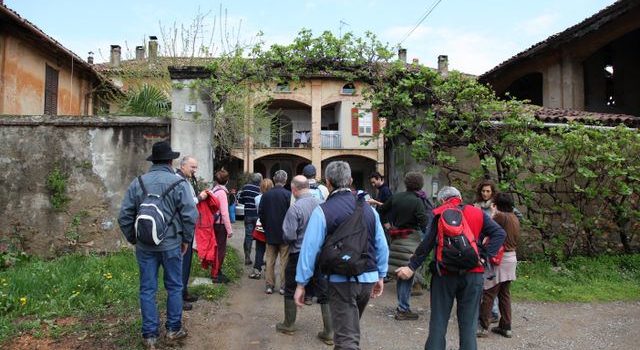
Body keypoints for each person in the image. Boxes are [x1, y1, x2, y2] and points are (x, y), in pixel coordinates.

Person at [396, 186, 506, 350]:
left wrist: (411, 267)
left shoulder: (439, 213)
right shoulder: (477, 213)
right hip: (473, 274)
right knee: (468, 326)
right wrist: (484, 257)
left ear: (441, 200)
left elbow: (427, 244)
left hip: (444, 275)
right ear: (460, 197)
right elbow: (499, 234)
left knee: (438, 323)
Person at [294, 161, 389, 349]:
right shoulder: (368, 209)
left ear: (328, 182)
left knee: (346, 339)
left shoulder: (323, 211)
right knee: (348, 331)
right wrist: (381, 275)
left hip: (341, 281)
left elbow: (309, 249)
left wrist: (301, 283)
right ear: (351, 180)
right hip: (368, 278)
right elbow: (381, 244)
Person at [118, 141, 198, 349]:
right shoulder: (178, 184)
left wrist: (134, 238)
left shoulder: (139, 183)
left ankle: (150, 336)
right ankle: (173, 329)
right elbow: (190, 215)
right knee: (174, 286)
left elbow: (124, 215)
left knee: (147, 289)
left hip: (145, 247)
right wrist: (186, 240)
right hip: (172, 244)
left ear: (153, 161)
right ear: (171, 161)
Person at [277, 175, 333, 345]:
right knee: (323, 290)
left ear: (294, 189)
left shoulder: (295, 208)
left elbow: (288, 235)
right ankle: (329, 332)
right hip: (319, 253)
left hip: (298, 253)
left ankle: (289, 324)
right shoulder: (322, 205)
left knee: (290, 287)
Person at [379, 172, 428, 321]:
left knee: (401, 272)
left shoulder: (396, 197)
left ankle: (402, 306)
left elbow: (381, 211)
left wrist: (388, 225)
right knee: (408, 272)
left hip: (396, 238)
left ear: (406, 183)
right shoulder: (418, 201)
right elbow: (423, 222)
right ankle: (403, 308)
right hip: (411, 239)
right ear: (420, 185)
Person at [477, 193, 520, 339]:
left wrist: (493, 213)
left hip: (499, 259)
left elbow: (486, 227)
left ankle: (483, 327)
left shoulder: (501, 217)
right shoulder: (514, 217)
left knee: (489, 292)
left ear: (497, 204)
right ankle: (506, 326)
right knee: (504, 293)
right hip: (511, 258)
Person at [175, 156, 206, 311]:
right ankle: (178, 297)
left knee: (186, 263)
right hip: (180, 229)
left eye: (195, 167)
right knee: (181, 263)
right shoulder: (178, 181)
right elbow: (186, 203)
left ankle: (184, 292)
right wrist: (200, 198)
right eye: (192, 167)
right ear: (182, 166)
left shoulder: (186, 180)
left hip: (187, 228)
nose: (194, 170)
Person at [259, 170, 291, 295]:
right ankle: (283, 286)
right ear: (285, 180)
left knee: (270, 260)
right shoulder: (289, 195)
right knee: (284, 261)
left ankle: (269, 285)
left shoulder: (266, 195)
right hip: (285, 234)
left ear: (273, 179)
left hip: (270, 232)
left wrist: (266, 226)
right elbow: (292, 215)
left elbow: (261, 213)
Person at [210, 169, 234, 283]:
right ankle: (216, 273)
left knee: (215, 248)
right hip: (220, 225)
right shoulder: (222, 193)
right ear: (227, 181)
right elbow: (224, 212)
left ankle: (215, 271)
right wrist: (229, 230)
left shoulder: (214, 190)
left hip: (213, 223)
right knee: (220, 249)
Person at [249, 178, 273, 279]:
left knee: (259, 249)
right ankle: (269, 267)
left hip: (260, 225)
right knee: (271, 250)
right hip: (271, 225)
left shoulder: (257, 198)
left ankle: (257, 269)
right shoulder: (273, 198)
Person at [239, 173, 263, 266]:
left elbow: (240, 200)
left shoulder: (245, 187)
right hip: (257, 216)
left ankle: (247, 257)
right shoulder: (260, 189)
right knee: (259, 236)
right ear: (259, 180)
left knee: (248, 236)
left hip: (248, 214)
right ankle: (259, 258)